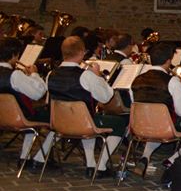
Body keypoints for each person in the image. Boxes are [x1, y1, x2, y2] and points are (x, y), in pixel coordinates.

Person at [35, 36, 127, 178]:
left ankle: (90, 165)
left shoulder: (50, 74)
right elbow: (106, 97)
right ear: (81, 52)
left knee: (87, 119)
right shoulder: (85, 76)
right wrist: (98, 77)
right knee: (119, 123)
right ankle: (100, 167)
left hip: (59, 122)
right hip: (84, 122)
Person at [129, 41, 181, 171]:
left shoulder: (137, 79)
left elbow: (135, 104)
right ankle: (172, 160)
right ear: (168, 61)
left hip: (141, 125)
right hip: (166, 127)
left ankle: (145, 156)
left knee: (156, 125)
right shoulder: (172, 82)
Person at [0, 38, 49, 170]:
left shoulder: (15, 74)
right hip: (19, 117)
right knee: (53, 118)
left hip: (2, 117)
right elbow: (38, 93)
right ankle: (34, 158)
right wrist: (34, 75)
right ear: (15, 55)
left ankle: (26, 156)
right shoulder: (14, 75)